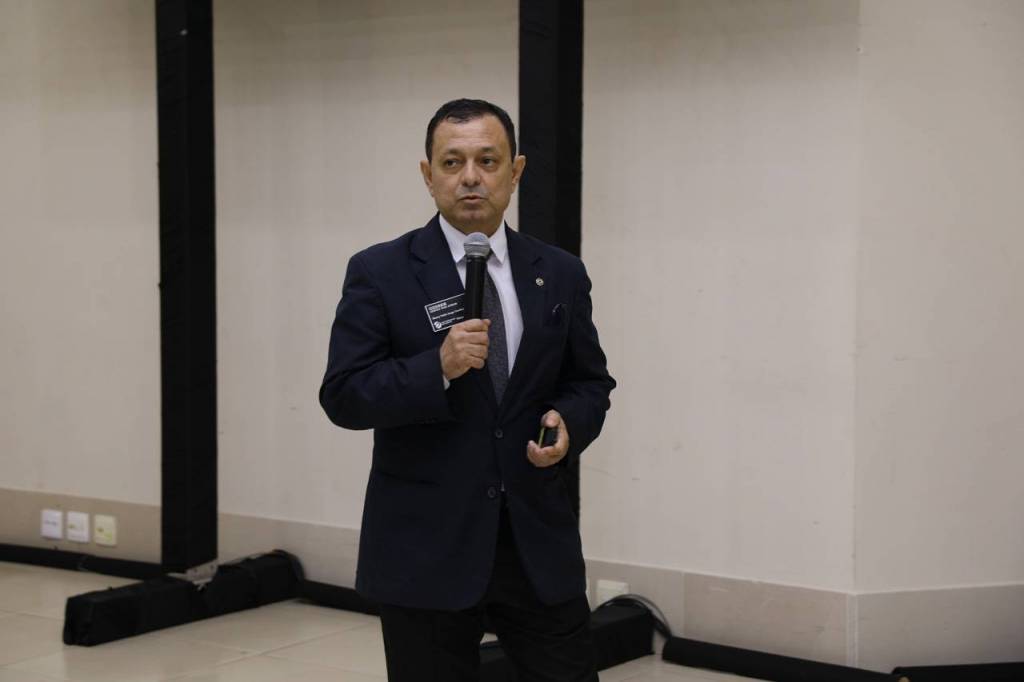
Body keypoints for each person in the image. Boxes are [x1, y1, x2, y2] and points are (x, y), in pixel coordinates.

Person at [319, 98, 615, 681]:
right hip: (426, 547)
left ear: (516, 171)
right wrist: (436, 367)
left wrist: (568, 423)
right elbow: (345, 394)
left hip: (534, 542)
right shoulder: (381, 272)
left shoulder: (559, 272)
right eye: (452, 162)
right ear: (428, 175)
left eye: (488, 160)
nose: (471, 177)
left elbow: (589, 381)